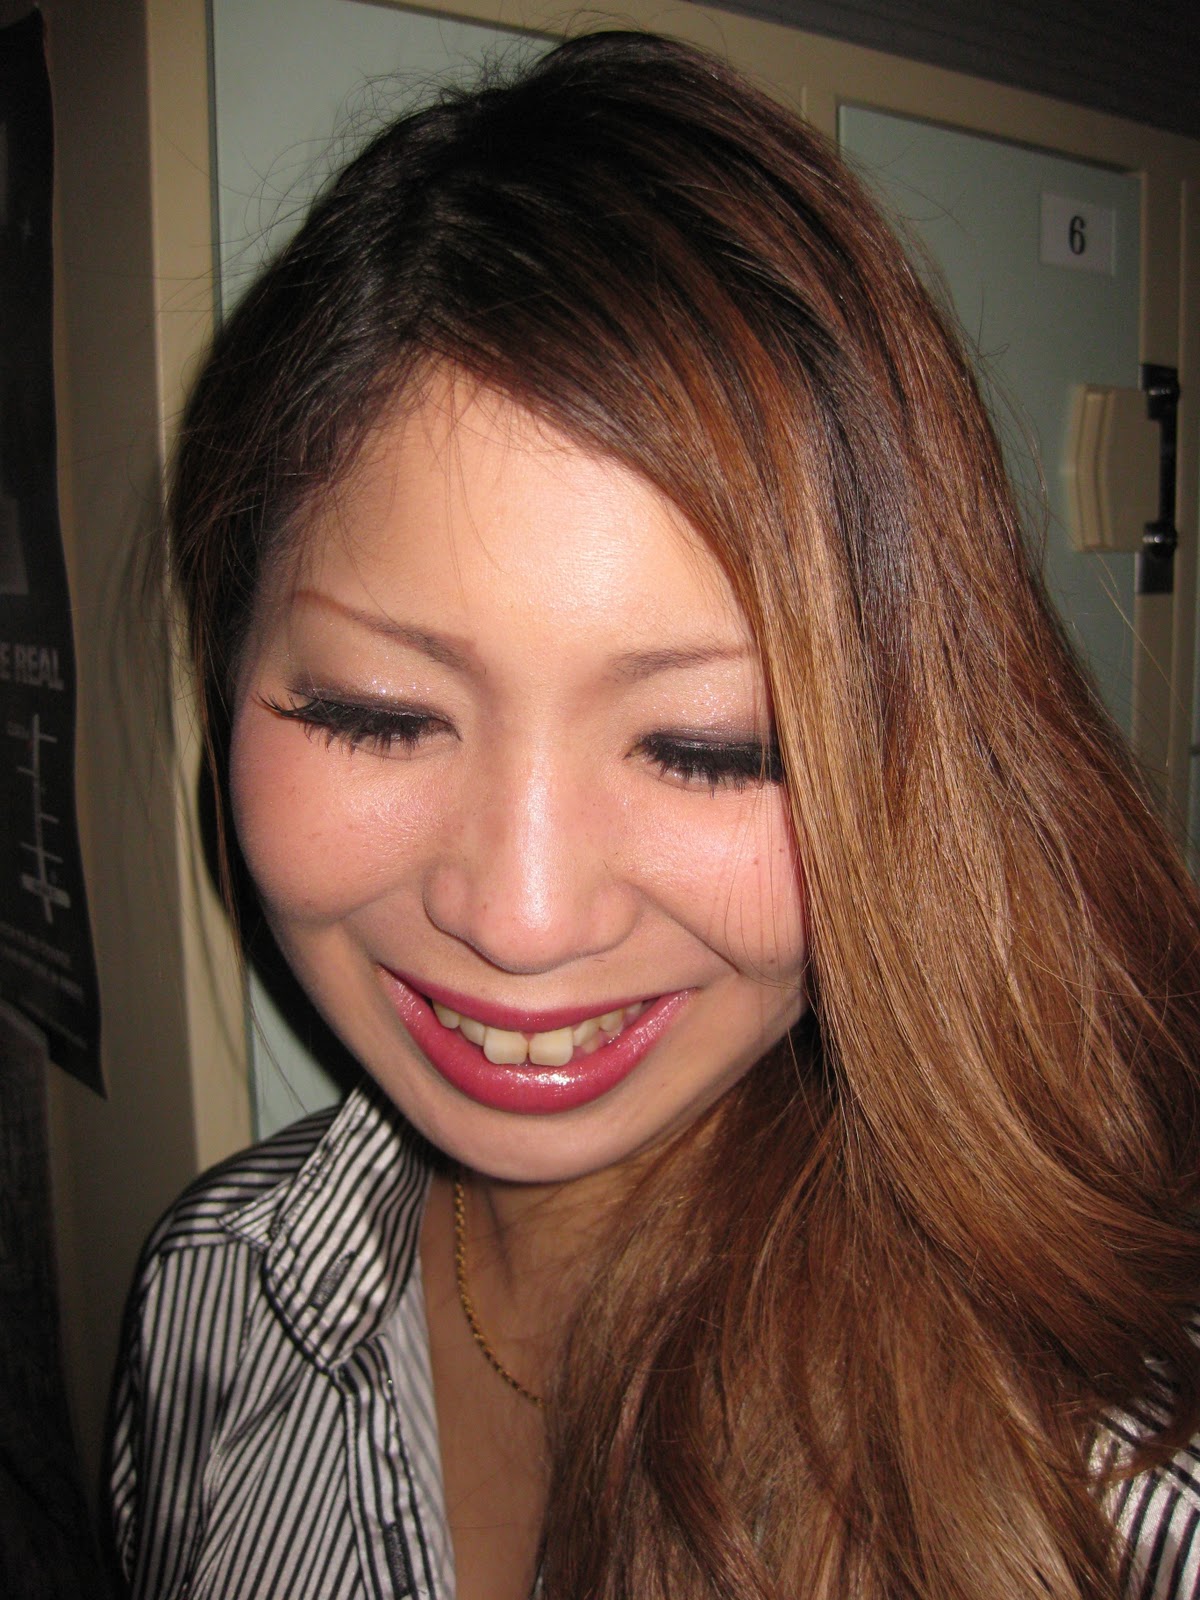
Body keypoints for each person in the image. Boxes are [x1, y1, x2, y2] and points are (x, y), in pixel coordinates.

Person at [107, 29, 1200, 1600]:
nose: (522, 916)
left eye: (708, 748)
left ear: (911, 763)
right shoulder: (208, 1299)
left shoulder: (1112, 1496)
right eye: (379, 715)